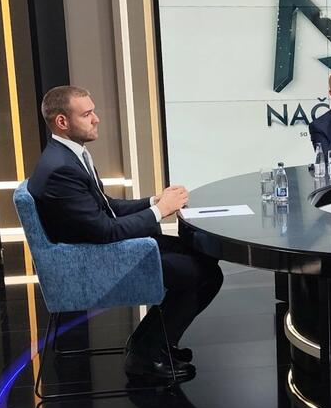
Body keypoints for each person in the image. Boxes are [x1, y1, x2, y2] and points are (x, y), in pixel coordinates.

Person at [27, 86, 223, 380]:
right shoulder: (60, 169)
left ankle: (149, 343)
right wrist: (160, 211)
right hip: (93, 261)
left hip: (95, 247)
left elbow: (105, 207)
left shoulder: (68, 156)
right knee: (202, 272)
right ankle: (146, 358)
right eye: (87, 114)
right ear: (62, 122)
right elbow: (105, 230)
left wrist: (153, 201)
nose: (96, 119)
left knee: (203, 257)